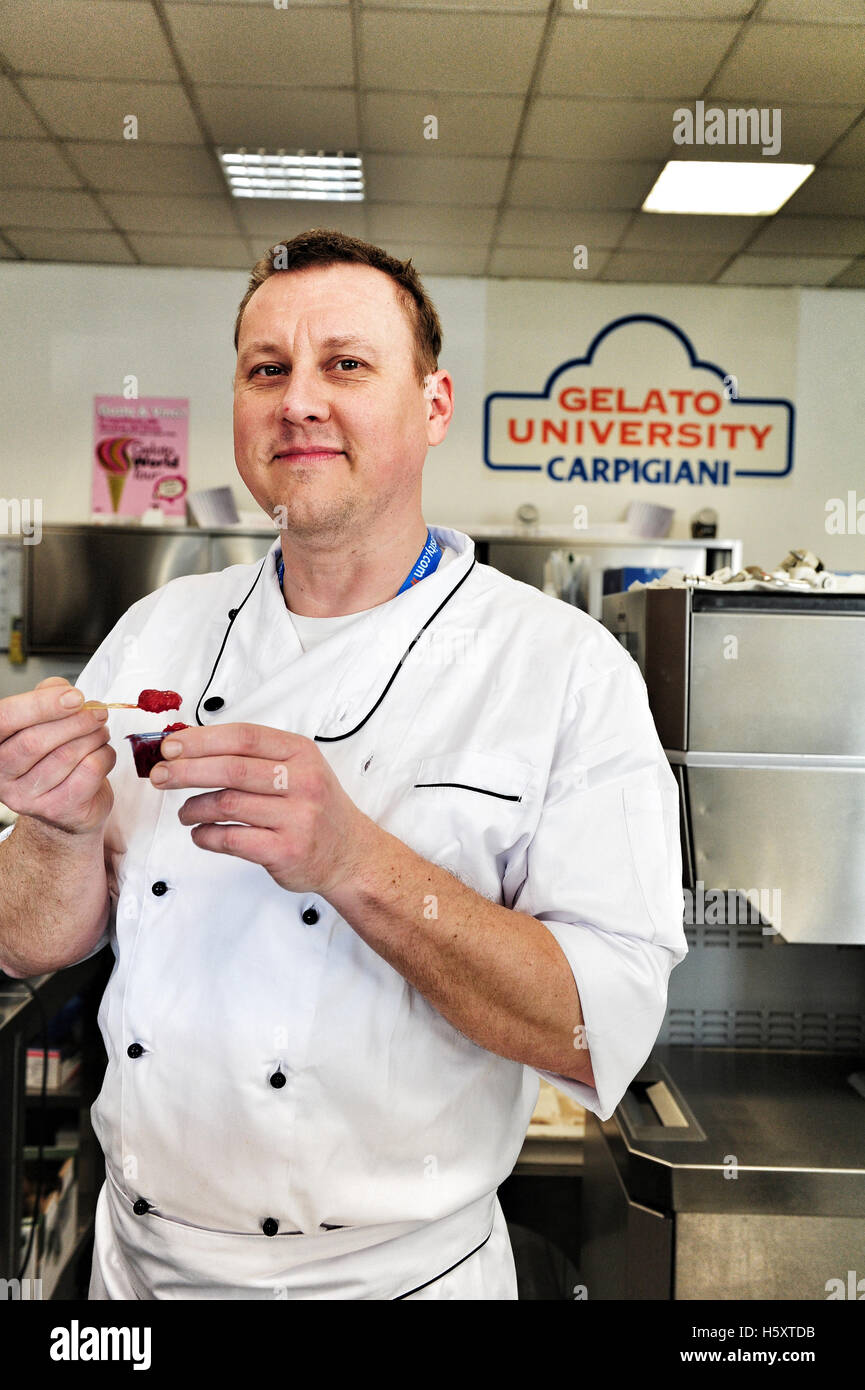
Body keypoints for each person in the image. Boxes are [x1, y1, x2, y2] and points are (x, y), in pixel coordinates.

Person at [0, 229, 687, 1300]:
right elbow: (32, 938)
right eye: (266, 369)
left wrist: (354, 859)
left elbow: (604, 1026)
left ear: (434, 404)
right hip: (138, 1275)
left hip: (402, 1281)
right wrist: (55, 825)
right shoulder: (154, 635)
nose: (299, 400)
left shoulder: (561, 670)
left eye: (347, 365)